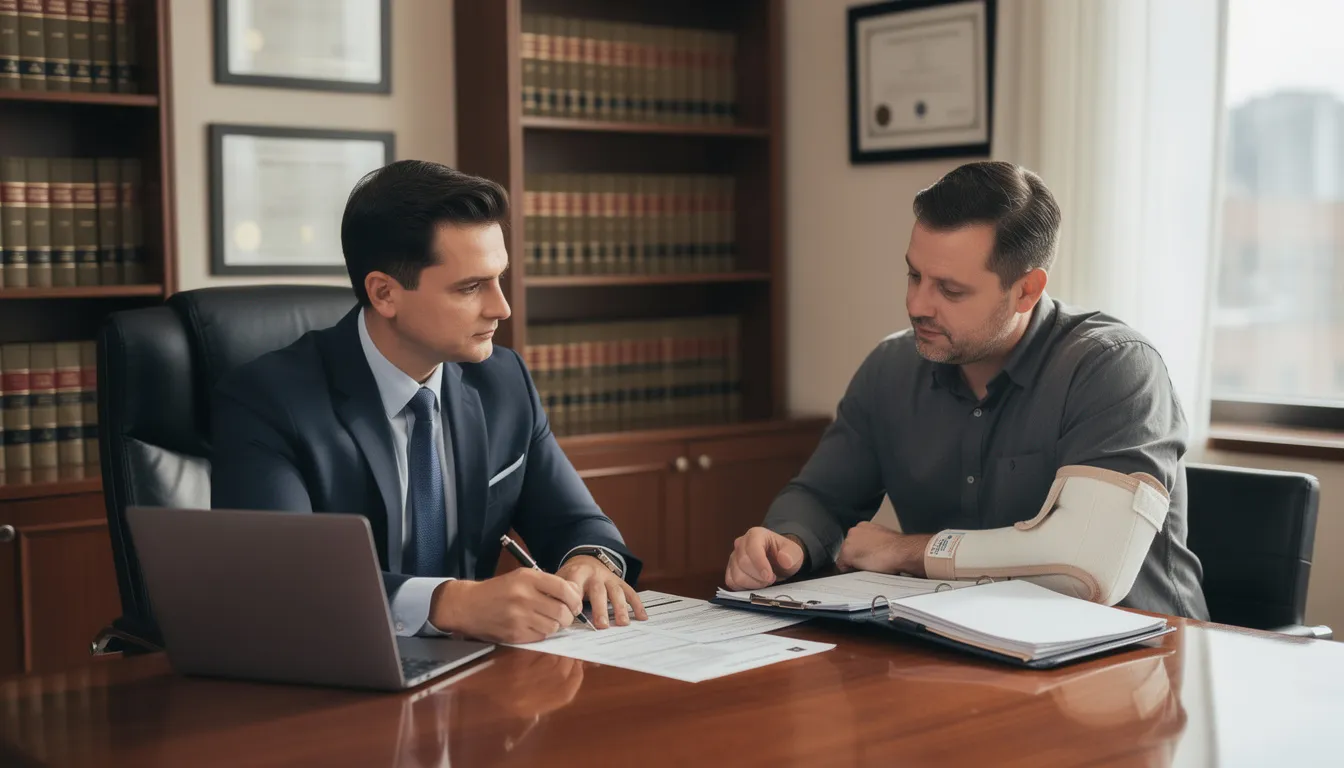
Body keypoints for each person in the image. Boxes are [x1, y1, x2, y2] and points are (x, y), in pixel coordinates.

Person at [724, 161, 1208, 619]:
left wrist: (904, 550)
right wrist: (786, 542)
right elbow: (821, 498)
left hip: (1136, 664)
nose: (917, 305)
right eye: (914, 275)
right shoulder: (890, 369)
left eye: (950, 291)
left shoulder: (1115, 367)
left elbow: (1086, 567)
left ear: (1026, 290)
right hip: (965, 653)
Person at [211, 160, 647, 644]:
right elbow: (280, 582)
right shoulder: (269, 400)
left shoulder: (503, 381)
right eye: (470, 287)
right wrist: (449, 603)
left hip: (478, 681)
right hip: (332, 676)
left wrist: (588, 560)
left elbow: (579, 522)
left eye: (498, 278)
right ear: (385, 293)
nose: (501, 307)